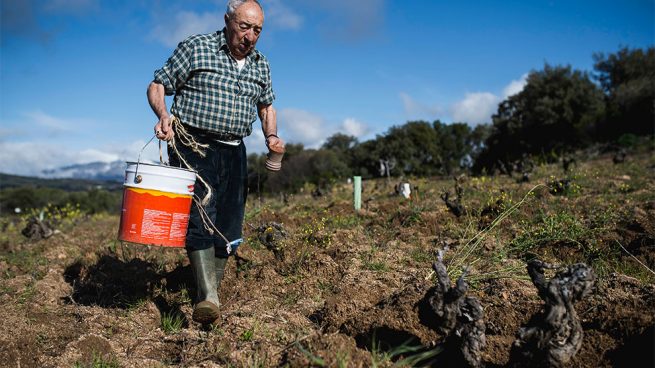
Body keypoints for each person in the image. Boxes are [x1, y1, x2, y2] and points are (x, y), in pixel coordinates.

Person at [146, 0, 283, 325]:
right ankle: (208, 296)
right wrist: (164, 115)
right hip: (193, 143)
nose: (250, 36)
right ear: (228, 21)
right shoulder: (197, 47)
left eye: (258, 30)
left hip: (234, 149)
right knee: (200, 214)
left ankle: (209, 297)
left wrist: (272, 135)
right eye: (244, 27)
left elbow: (266, 106)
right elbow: (158, 84)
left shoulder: (261, 64)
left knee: (230, 223)